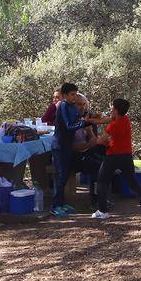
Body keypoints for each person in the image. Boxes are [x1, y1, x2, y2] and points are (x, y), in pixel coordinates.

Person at [90, 98, 141, 219]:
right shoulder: (126, 120)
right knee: (133, 182)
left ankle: (103, 211)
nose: (111, 110)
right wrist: (91, 119)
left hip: (112, 156)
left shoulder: (112, 126)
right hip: (127, 156)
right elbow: (107, 120)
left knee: (102, 181)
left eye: (113, 108)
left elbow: (100, 140)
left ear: (116, 110)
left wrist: (100, 140)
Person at [50, 82, 84, 216]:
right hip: (59, 145)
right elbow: (69, 126)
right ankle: (54, 205)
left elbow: (77, 120)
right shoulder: (63, 106)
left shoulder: (73, 107)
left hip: (68, 145)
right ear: (64, 95)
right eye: (72, 94)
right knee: (59, 175)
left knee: (64, 175)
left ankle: (61, 203)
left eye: (76, 94)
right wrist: (85, 122)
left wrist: (85, 118)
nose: (75, 97)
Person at [71, 94, 106, 204]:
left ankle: (100, 197)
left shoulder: (86, 119)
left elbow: (93, 140)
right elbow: (71, 147)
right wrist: (87, 145)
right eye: (79, 104)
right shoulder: (69, 122)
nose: (82, 107)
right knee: (98, 167)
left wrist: (89, 130)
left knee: (106, 164)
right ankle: (96, 200)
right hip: (74, 156)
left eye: (84, 104)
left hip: (86, 153)